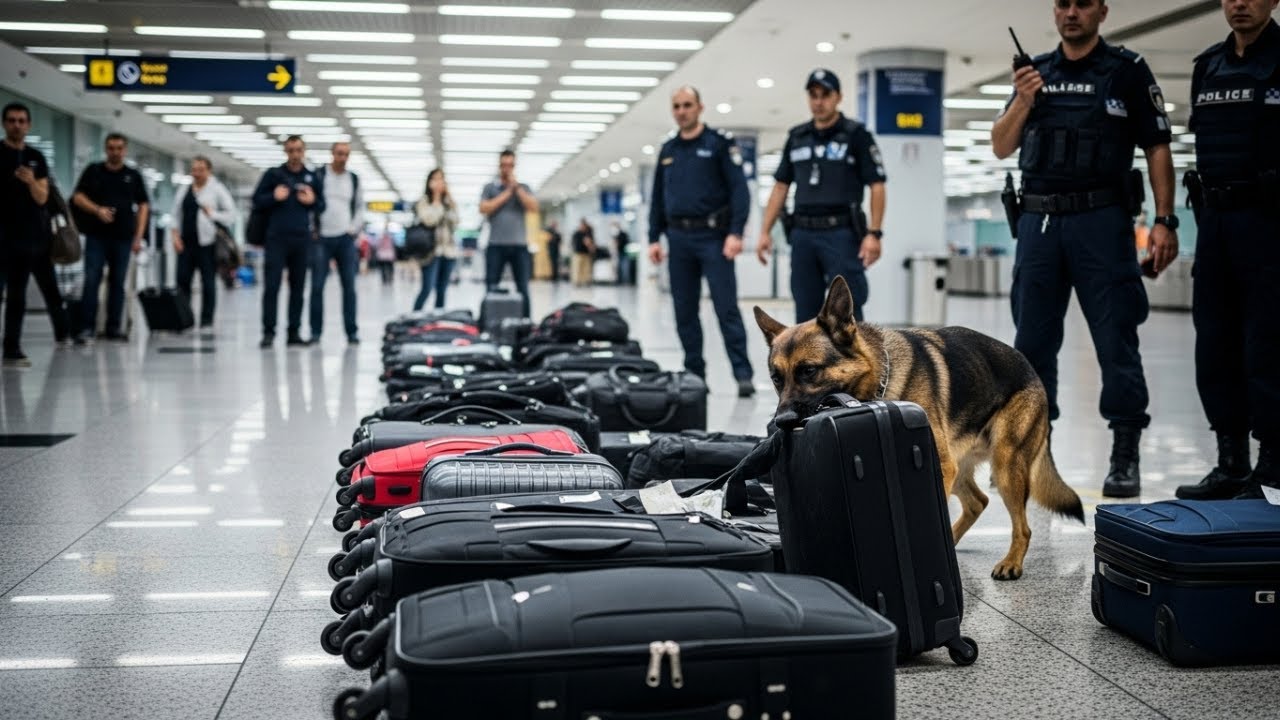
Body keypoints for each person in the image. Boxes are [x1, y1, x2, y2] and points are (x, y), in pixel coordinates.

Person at [991, 0, 1179, 498]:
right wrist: (1023, 100)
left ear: (1102, 11)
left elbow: (1157, 146)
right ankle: (1035, 451)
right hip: (1040, 224)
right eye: (1063, 4)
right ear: (1055, 12)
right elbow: (1000, 145)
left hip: (1102, 223)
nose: (1071, 12)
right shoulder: (1035, 73)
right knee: (1032, 345)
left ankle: (1124, 453)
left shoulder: (1127, 70)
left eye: (1083, 4)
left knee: (1116, 341)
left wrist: (1165, 220)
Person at [1175, 0, 1280, 501]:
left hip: (1271, 224)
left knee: (1269, 345)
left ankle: (1273, 464)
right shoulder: (1207, 67)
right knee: (1214, 344)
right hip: (1214, 222)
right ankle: (1231, 463)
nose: (1240, 3)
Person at [756, 69, 887, 324]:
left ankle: (854, 353)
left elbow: (877, 185)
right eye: (813, 95)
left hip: (841, 234)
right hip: (802, 235)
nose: (818, 101)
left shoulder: (856, 135)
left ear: (838, 97)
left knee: (847, 311)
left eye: (825, 95)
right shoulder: (797, 137)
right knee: (805, 313)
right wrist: (765, 231)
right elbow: (781, 186)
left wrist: (874, 233)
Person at [648, 86, 755, 397]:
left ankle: (743, 373)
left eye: (687, 105)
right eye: (677, 106)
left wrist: (735, 233)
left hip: (714, 239)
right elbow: (658, 198)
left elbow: (740, 191)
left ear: (699, 107)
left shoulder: (719, 144)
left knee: (726, 308)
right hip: (678, 239)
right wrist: (654, 237)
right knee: (684, 311)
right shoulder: (668, 150)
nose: (682, 111)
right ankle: (695, 373)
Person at [1, 102, 69, 366]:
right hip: (6, 237)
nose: (16, 125)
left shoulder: (36, 157)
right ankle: (11, 348)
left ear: (28, 125)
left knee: (49, 289)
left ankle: (63, 333)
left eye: (21, 121)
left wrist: (30, 181)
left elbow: (42, 198)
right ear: (4, 124)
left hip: (37, 237)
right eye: (11, 120)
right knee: (14, 294)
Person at [71, 132, 150, 343]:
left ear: (125, 150)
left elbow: (143, 205)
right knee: (92, 280)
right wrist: (97, 210)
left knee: (118, 282)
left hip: (123, 238)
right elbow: (77, 197)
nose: (115, 152)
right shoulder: (94, 171)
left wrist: (138, 236)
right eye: (111, 148)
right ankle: (87, 327)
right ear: (106, 149)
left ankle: (113, 327)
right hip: (97, 237)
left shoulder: (133, 175)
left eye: (119, 148)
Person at [252, 134, 324, 348]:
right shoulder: (273, 175)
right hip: (276, 239)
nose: (295, 154)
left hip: (301, 240)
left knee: (298, 288)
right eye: (291, 150)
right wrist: (274, 197)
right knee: (272, 287)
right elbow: (257, 201)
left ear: (304, 151)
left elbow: (322, 206)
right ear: (285, 151)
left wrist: (312, 201)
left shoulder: (311, 177)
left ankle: (294, 332)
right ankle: (268, 332)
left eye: (298, 150)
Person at [170, 155, 235, 329]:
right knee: (182, 281)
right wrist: (175, 237)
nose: (197, 173)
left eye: (201, 170)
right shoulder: (184, 189)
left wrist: (212, 214)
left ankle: (207, 319)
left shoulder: (217, 189)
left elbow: (231, 215)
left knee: (208, 283)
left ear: (209, 171)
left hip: (208, 244)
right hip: (185, 244)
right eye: (194, 170)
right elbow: (175, 215)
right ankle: (185, 318)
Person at [311, 142, 363, 345]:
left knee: (349, 287)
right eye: (340, 153)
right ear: (332, 154)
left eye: (346, 154)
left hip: (345, 239)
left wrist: (352, 229)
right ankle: (315, 332)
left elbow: (359, 207)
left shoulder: (353, 179)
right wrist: (313, 229)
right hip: (322, 238)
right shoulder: (319, 175)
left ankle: (351, 331)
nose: (343, 158)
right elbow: (310, 203)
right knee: (317, 286)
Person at [479, 149, 539, 317]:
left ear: (514, 166)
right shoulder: (490, 188)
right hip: (495, 245)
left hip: (519, 246)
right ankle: (489, 320)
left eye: (510, 165)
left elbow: (533, 207)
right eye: (504, 165)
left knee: (523, 287)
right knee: (491, 285)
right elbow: (484, 208)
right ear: (499, 166)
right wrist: (507, 193)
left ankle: (526, 322)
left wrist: (516, 188)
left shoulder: (524, 188)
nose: (507, 168)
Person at [413, 169, 460, 311]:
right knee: (427, 288)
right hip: (430, 253)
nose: (439, 182)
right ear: (429, 182)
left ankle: (438, 319)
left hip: (448, 252)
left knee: (442, 291)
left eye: (441, 179)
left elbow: (455, 222)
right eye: (435, 179)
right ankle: (414, 317)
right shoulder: (424, 201)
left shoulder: (449, 202)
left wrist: (449, 199)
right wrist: (437, 199)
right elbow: (430, 220)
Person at [570, 218, 595, 287]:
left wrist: (590, 245)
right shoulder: (576, 233)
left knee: (586, 268)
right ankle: (577, 281)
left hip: (586, 253)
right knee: (577, 268)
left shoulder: (588, 233)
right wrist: (584, 242)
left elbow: (591, 243)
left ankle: (586, 281)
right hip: (578, 253)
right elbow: (574, 243)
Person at [545, 219, 562, 283]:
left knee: (556, 264)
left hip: (556, 250)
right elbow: (548, 239)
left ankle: (555, 276)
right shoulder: (549, 231)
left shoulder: (557, 233)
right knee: (552, 264)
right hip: (551, 250)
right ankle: (552, 276)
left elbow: (559, 240)